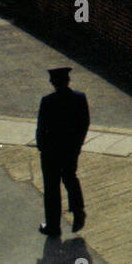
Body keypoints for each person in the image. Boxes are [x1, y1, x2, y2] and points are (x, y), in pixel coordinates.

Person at [35, 66, 89, 236]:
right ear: (68, 81)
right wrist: (77, 145)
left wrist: (42, 147)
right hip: (70, 149)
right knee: (70, 178)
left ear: (52, 82)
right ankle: (78, 209)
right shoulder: (80, 99)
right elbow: (84, 123)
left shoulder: (47, 101)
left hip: (51, 151)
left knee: (51, 188)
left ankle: (53, 226)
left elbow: (41, 128)